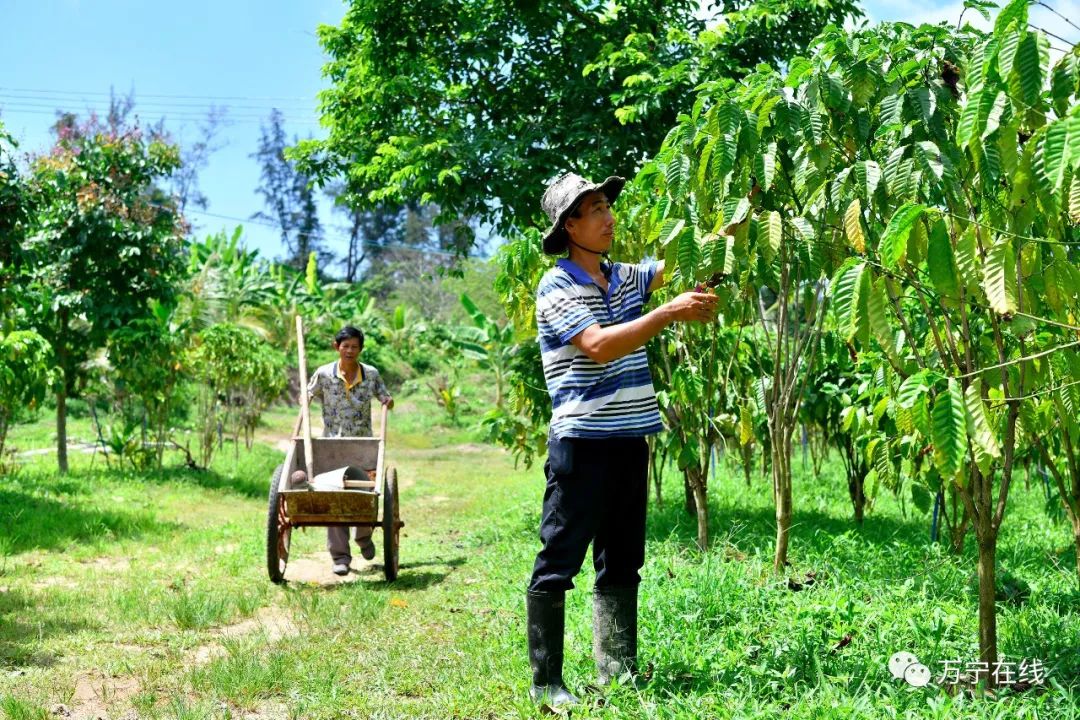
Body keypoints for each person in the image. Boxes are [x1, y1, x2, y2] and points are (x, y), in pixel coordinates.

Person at [526, 172, 718, 708]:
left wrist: (734, 215)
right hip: (582, 442)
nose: (609, 218)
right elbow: (599, 346)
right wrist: (668, 313)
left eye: (609, 206)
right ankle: (547, 682)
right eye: (595, 210)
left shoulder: (625, 277)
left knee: (622, 558)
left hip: (631, 437)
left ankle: (617, 670)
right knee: (559, 558)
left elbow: (679, 262)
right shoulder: (557, 286)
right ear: (570, 225)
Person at [307, 325, 394, 576]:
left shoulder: (372, 374)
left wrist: (388, 402)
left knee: (363, 496)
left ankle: (363, 538)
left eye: (354, 347)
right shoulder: (324, 374)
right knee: (335, 499)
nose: (350, 351)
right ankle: (340, 557)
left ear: (360, 349)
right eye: (345, 346)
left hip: (362, 445)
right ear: (337, 347)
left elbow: (384, 397)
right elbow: (308, 393)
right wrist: (306, 399)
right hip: (331, 445)